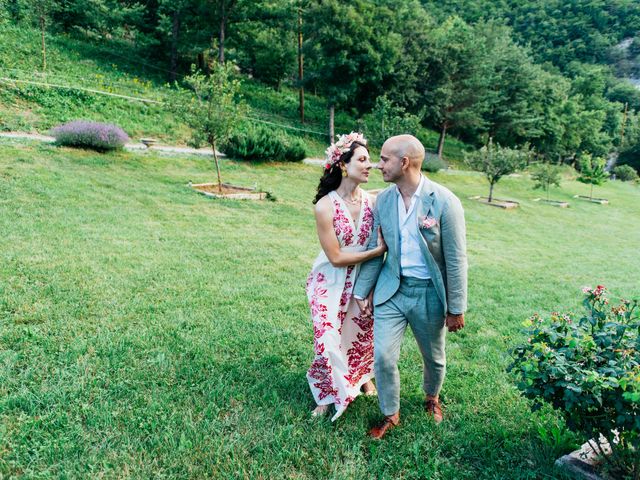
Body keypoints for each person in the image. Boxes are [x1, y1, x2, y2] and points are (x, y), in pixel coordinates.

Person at [353, 134, 467, 439]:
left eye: (384, 159)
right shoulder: (384, 200)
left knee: (434, 356)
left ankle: (431, 397)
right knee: (383, 357)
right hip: (392, 291)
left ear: (404, 162)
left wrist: (456, 308)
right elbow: (377, 249)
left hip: (429, 293)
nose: (378, 165)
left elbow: (456, 259)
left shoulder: (445, 201)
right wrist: (362, 290)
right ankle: (391, 413)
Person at [306, 132, 387, 421]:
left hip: (361, 281)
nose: (371, 166)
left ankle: (363, 377)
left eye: (371, 159)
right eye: (363, 160)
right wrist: (375, 251)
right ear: (343, 164)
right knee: (327, 338)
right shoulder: (324, 206)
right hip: (328, 279)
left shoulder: (374, 202)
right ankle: (326, 394)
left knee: (357, 335)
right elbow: (336, 257)